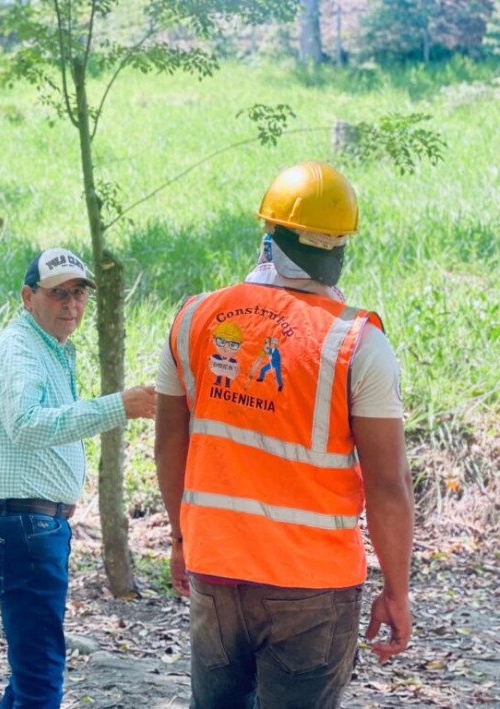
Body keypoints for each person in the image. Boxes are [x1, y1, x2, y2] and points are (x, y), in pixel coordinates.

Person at [154, 161, 414, 708]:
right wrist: (396, 589)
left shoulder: (193, 318)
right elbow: (388, 485)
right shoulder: (357, 343)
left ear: (268, 233)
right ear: (341, 244)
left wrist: (180, 539)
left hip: (217, 568)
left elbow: (170, 444)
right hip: (313, 585)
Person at [0, 247, 157, 708]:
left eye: (79, 293)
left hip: (31, 524)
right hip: (25, 525)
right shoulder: (20, 349)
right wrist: (119, 406)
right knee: (40, 673)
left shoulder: (47, 348)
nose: (71, 304)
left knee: (31, 669)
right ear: (27, 296)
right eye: (58, 294)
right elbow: (27, 425)